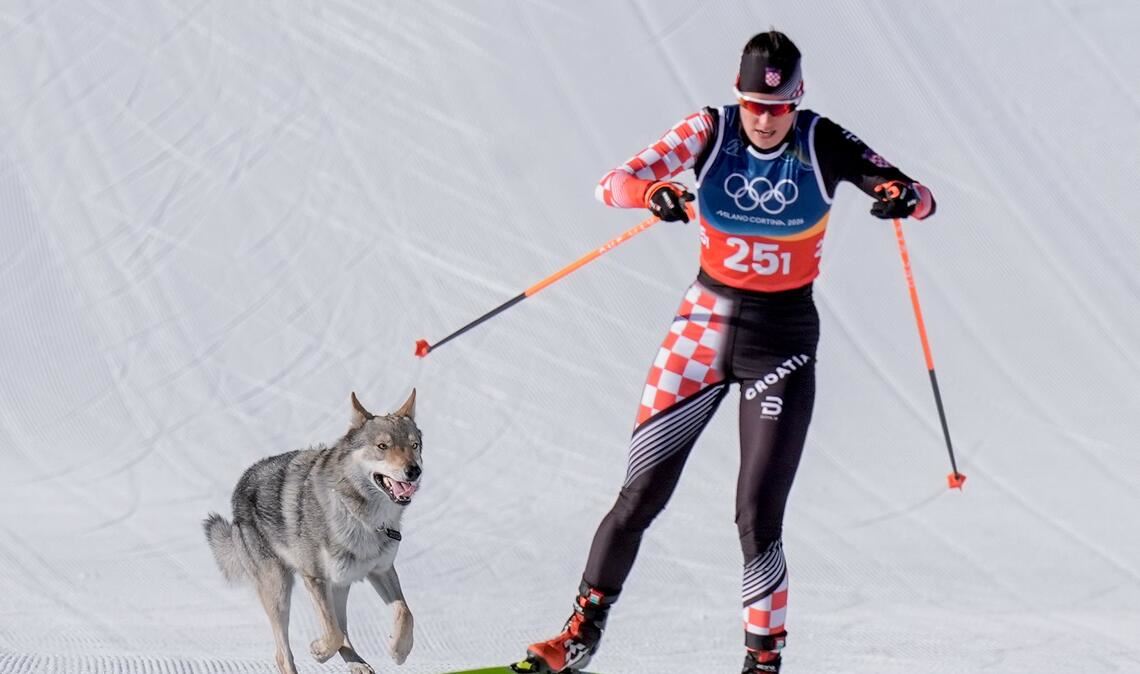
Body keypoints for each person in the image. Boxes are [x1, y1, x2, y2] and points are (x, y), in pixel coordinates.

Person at [513, 30, 936, 674]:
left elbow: (918, 194)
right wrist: (651, 193)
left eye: (778, 108)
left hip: (782, 344)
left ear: (797, 100)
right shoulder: (709, 131)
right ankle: (577, 639)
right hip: (700, 331)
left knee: (757, 518)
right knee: (639, 496)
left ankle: (762, 663)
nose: (764, 120)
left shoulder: (821, 139)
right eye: (752, 105)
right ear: (736, 96)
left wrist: (904, 196)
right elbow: (612, 183)